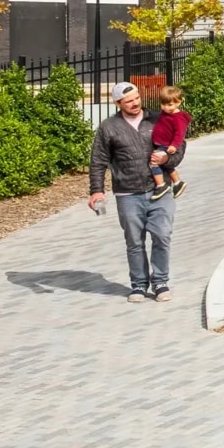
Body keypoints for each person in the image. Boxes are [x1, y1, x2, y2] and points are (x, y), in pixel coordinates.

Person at [88, 82, 175, 303]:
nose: (135, 103)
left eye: (137, 98)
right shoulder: (109, 127)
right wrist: (97, 191)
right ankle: (138, 285)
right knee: (134, 242)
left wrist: (168, 157)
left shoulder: (158, 119)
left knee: (162, 236)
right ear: (118, 103)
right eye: (129, 101)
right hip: (128, 194)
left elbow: (179, 145)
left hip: (160, 189)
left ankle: (161, 282)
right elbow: (98, 161)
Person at [148, 86, 191, 200]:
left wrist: (174, 145)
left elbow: (179, 134)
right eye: (163, 104)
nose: (166, 107)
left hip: (166, 144)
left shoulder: (178, 118)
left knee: (154, 162)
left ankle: (161, 185)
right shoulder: (166, 113)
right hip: (161, 143)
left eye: (170, 105)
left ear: (178, 103)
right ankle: (177, 182)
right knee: (166, 166)